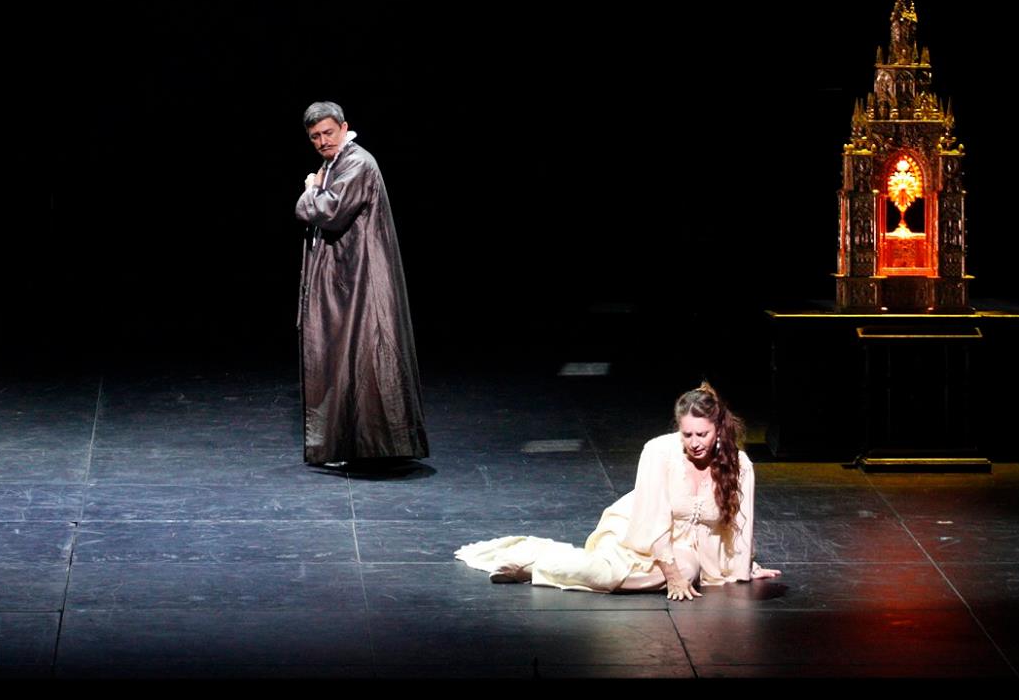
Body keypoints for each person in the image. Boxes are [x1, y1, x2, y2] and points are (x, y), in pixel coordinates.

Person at [455, 383, 781, 597]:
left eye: (702, 434)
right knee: (608, 573)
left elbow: (739, 523)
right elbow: (653, 518)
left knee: (688, 568)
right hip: (641, 532)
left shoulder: (740, 464)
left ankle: (556, 567)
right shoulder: (659, 451)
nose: (695, 443)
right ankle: (532, 564)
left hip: (693, 549)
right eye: (688, 435)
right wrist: (670, 573)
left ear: (718, 430)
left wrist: (744, 567)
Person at [295, 101, 427, 466]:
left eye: (328, 133)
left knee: (366, 353)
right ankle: (351, 444)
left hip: (363, 277)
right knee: (346, 358)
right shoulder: (335, 163)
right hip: (347, 276)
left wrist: (310, 189)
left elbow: (328, 211)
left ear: (344, 127)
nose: (322, 141)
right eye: (315, 137)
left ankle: (375, 445)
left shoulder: (357, 163)